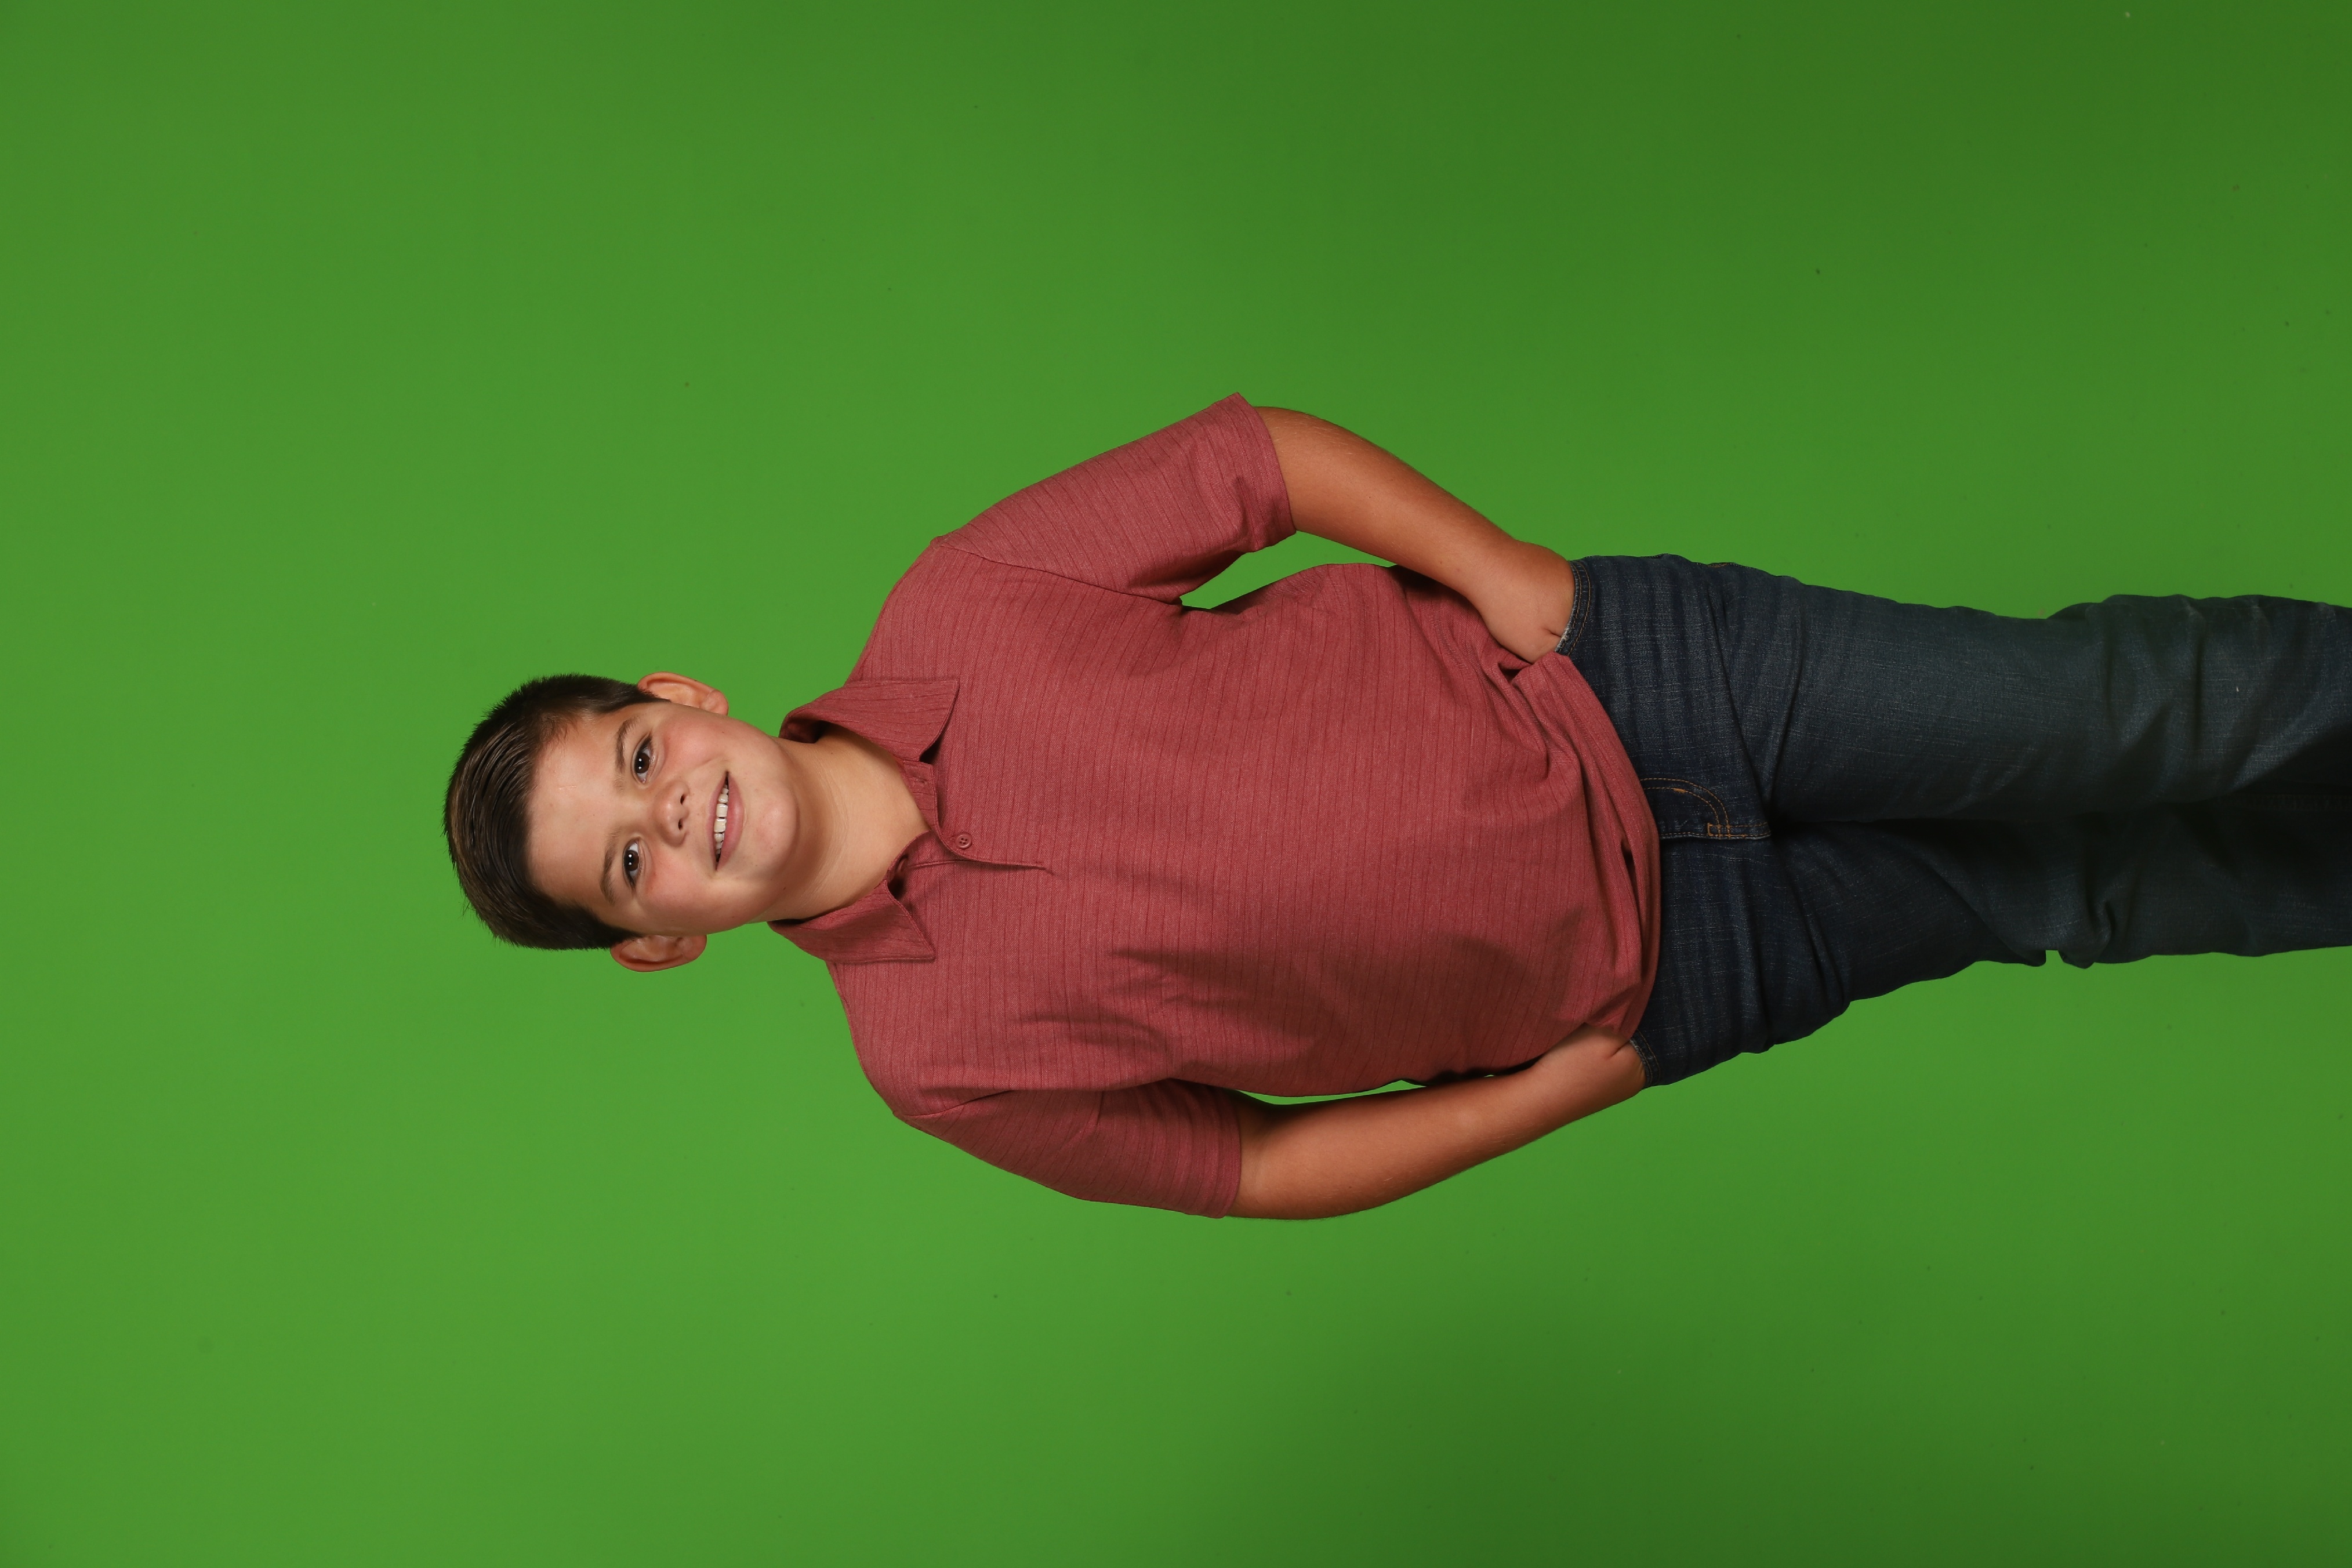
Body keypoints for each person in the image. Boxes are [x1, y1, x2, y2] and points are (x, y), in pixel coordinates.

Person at [443, 397, 2352, 1218]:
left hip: (1644, 682)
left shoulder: (963, 601)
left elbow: (1253, 462)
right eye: (631, 865)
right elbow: (1256, 1167)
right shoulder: (932, 1065)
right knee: (2069, 897)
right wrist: (1557, 1093)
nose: (676, 814)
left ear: (678, 699)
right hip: (1668, 973)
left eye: (639, 761)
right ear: (656, 945)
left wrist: (1508, 573)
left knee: (2118, 711)